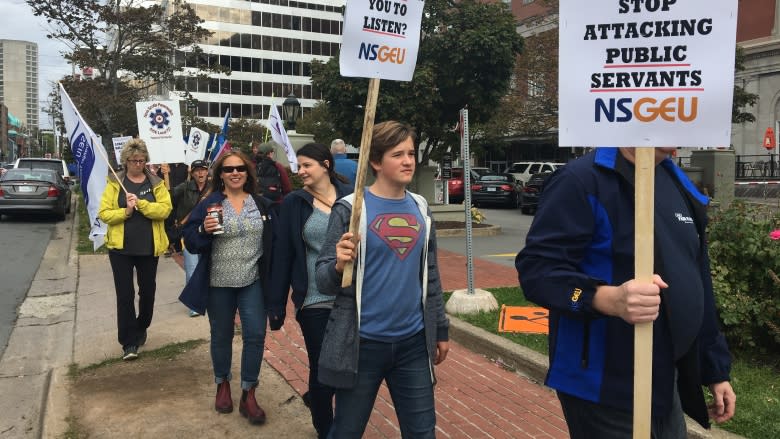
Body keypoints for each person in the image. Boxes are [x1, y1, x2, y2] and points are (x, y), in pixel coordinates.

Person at [515, 147, 736, 438]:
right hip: (602, 383)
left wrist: (714, 368)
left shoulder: (674, 179)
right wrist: (607, 299)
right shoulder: (581, 179)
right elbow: (537, 272)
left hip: (663, 379)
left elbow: (698, 279)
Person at [315, 121, 450, 438]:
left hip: (413, 342)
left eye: (411, 153)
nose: (408, 161)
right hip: (362, 344)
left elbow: (430, 275)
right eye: (397, 154)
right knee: (346, 431)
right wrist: (338, 265)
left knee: (422, 433)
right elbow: (322, 281)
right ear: (375, 162)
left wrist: (440, 327)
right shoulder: (350, 210)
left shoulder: (421, 208)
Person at [180, 151, 274, 425]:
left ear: (248, 173)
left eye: (240, 169)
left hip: (252, 281)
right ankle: (222, 384)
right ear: (220, 174)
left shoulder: (261, 204)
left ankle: (249, 392)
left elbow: (275, 239)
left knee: (255, 334)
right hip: (218, 282)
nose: (235, 173)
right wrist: (202, 231)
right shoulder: (209, 202)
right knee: (221, 335)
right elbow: (189, 239)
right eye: (229, 169)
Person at [268, 143, 353, 438]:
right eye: (299, 166)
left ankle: (332, 414)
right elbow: (283, 254)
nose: (300, 171)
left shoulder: (351, 199)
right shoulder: (295, 203)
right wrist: (276, 303)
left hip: (351, 297)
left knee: (347, 369)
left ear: (326, 165)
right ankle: (325, 429)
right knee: (322, 367)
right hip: (314, 298)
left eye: (306, 165)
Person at [98, 139, 172, 361]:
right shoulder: (115, 182)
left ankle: (142, 325)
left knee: (147, 292)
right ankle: (128, 342)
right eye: (133, 161)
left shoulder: (156, 183)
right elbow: (104, 214)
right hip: (121, 249)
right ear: (126, 161)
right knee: (125, 295)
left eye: (141, 160)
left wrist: (142, 205)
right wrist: (126, 211)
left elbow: (165, 210)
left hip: (149, 248)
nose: (138, 164)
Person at [171, 159, 210, 317]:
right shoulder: (185, 188)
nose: (200, 173)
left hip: (209, 232)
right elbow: (168, 198)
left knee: (207, 266)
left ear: (207, 171)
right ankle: (194, 303)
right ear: (192, 173)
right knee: (192, 268)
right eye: (197, 170)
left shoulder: (214, 188)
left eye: (203, 170)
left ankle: (208, 298)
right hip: (190, 233)